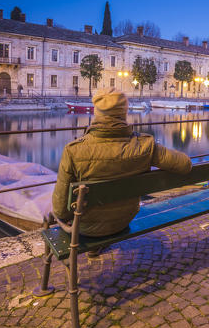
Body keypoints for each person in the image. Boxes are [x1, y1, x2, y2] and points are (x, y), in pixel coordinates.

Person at [52, 89, 192, 237]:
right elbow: (185, 165)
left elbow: (60, 210)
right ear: (124, 113)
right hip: (124, 220)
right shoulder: (145, 146)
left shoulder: (73, 151)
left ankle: (93, 249)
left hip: (86, 227)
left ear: (97, 113)